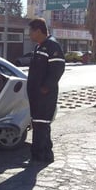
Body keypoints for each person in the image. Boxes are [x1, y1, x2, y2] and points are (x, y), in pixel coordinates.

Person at [27, 18, 65, 163]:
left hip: (45, 95)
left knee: (40, 124)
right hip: (36, 94)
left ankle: (38, 156)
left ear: (38, 31)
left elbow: (58, 68)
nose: (29, 34)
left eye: (30, 31)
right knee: (40, 124)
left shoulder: (52, 45)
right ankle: (46, 155)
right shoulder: (39, 46)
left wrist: (46, 87)